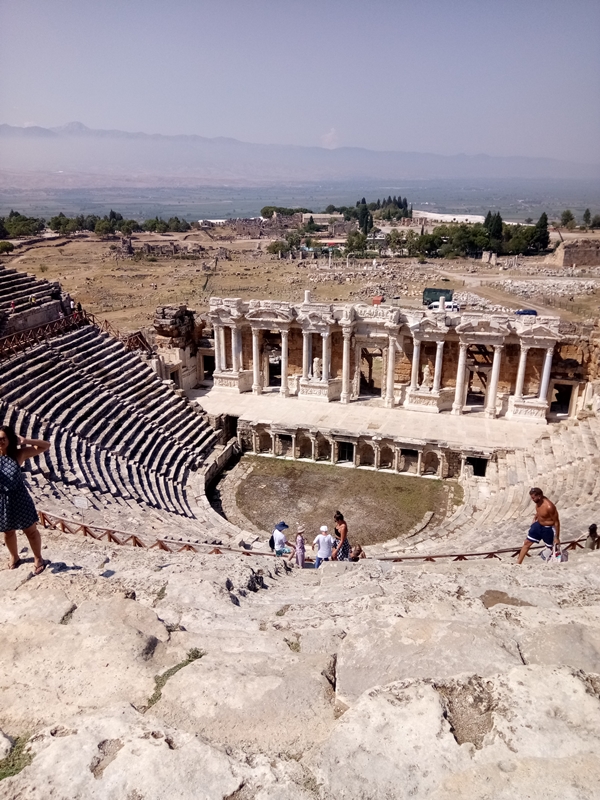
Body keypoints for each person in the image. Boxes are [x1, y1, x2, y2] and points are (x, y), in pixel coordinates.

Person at [0, 425, 50, 575]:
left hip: (20, 498)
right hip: (2, 500)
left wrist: (25, 440)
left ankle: (38, 558)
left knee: (31, 531)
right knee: (8, 532)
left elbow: (46, 446)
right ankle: (14, 557)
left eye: (3, 438)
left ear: (10, 439)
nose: (0, 441)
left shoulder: (18, 455)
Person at [516, 488, 560, 564]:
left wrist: (556, 537)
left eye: (533, 497)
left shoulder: (549, 506)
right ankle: (518, 563)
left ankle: (554, 563)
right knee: (527, 542)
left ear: (539, 496)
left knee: (551, 548)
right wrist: (535, 517)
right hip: (538, 525)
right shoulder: (538, 501)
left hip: (547, 529)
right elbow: (540, 511)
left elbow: (556, 522)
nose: (532, 500)